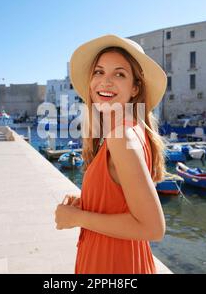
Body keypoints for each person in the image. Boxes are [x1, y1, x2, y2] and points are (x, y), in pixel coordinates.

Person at [55, 34, 168, 274]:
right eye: (99, 72)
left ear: (135, 87)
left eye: (119, 74)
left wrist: (77, 218)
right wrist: (89, 204)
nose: (105, 82)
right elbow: (122, 198)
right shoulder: (133, 130)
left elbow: (153, 228)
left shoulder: (120, 137)